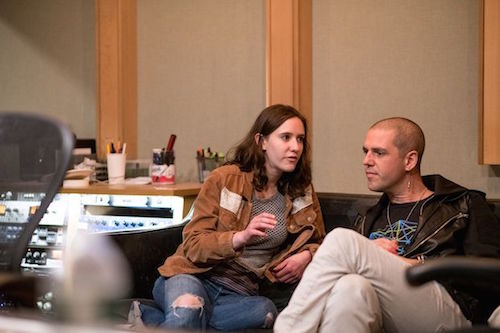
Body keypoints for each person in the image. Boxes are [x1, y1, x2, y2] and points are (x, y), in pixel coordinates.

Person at [274, 117, 500, 333]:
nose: (367, 161)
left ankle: (289, 329)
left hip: (448, 313)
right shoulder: (368, 217)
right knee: (350, 288)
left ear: (409, 160)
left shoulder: (463, 204)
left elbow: (488, 276)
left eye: (379, 153)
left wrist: (406, 262)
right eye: (366, 151)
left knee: (341, 240)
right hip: (385, 314)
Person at [137, 104, 325, 331]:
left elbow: (320, 241)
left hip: (239, 293)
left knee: (266, 313)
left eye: (300, 139)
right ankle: (182, 313)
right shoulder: (224, 179)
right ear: (262, 141)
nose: (295, 147)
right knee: (188, 310)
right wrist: (239, 237)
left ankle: (149, 316)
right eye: (285, 137)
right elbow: (194, 245)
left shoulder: (301, 189)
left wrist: (307, 256)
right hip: (193, 276)